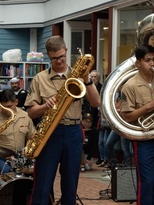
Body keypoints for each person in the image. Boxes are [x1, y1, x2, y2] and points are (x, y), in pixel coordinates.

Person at [24, 35, 100, 205]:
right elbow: (31, 113)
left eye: (62, 57)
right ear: (48, 56)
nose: (59, 61)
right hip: (49, 133)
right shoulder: (39, 78)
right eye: (54, 58)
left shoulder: (78, 75)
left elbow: (96, 102)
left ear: (66, 51)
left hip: (73, 131)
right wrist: (45, 106)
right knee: (42, 185)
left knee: (70, 186)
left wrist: (86, 79)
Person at [120, 45, 154, 205]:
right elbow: (127, 116)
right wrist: (149, 106)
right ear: (138, 63)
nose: (152, 64)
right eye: (147, 60)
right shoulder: (130, 85)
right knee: (147, 182)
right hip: (143, 140)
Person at [0, 89, 35, 174]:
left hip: (20, 157)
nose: (6, 110)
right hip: (1, 158)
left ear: (16, 102)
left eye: (9, 106)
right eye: (3, 107)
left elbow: (32, 138)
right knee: (7, 171)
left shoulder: (25, 116)